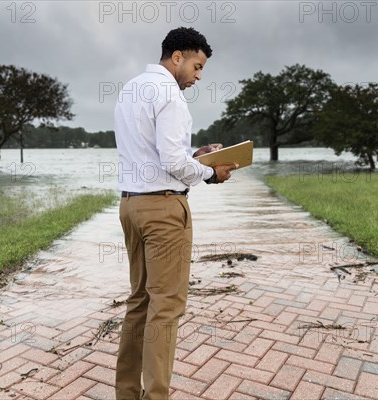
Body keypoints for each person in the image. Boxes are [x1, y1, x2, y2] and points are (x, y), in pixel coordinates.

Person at [113, 27, 237, 400]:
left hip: (131, 205)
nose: (198, 77)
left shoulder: (131, 88)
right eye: (197, 67)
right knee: (166, 308)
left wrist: (194, 156)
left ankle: (127, 394)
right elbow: (169, 161)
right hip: (164, 209)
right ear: (178, 56)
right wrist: (210, 173)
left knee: (140, 302)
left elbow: (157, 155)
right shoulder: (170, 94)